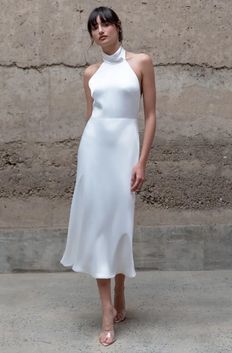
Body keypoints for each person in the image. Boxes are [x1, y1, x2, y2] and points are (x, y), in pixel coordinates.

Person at [60, 6, 156, 346]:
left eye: (105, 24)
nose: (100, 30)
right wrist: (83, 160)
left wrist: (141, 162)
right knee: (100, 227)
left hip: (126, 153)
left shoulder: (141, 62)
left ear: (117, 27)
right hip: (94, 154)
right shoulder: (90, 74)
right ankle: (105, 311)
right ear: (91, 35)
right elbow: (90, 118)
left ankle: (121, 288)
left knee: (120, 226)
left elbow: (151, 114)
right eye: (94, 27)